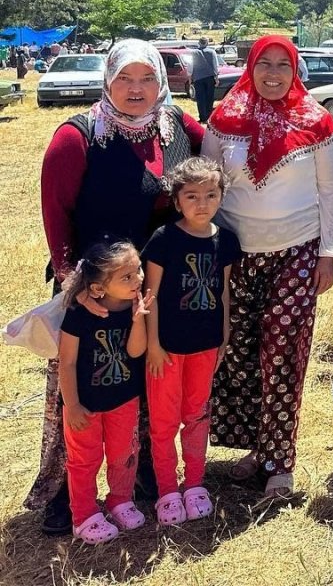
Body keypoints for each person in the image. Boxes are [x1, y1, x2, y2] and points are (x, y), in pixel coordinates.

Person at [30, 39, 203, 536]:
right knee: (83, 388)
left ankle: (140, 475)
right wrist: (73, 288)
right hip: (95, 293)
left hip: (150, 287)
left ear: (162, 82)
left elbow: (222, 136)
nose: (136, 89)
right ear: (107, 80)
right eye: (125, 78)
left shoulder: (173, 129)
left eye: (146, 78)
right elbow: (56, 215)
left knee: (141, 386)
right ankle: (66, 493)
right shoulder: (79, 136)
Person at [202, 36, 333, 498]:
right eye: (266, 63)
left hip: (297, 252)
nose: (274, 73)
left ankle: (280, 460)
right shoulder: (224, 119)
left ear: (295, 69)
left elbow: (331, 188)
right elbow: (206, 181)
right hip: (236, 254)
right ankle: (255, 448)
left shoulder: (316, 121)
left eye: (285, 64)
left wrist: (329, 252)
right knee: (239, 353)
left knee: (283, 350)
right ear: (251, 65)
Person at [140, 157, 240, 526]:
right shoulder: (164, 239)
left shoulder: (226, 240)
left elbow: (224, 292)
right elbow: (150, 296)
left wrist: (225, 335)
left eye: (211, 195)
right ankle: (167, 490)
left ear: (221, 197)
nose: (202, 204)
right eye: (192, 196)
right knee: (164, 421)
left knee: (197, 415)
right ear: (176, 199)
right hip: (165, 348)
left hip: (206, 344)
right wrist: (152, 344)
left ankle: (195, 483)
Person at [57, 241, 153, 544]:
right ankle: (83, 516)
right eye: (126, 277)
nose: (137, 279)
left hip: (124, 400)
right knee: (84, 460)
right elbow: (68, 361)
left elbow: (136, 351)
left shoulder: (135, 308)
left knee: (124, 454)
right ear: (98, 288)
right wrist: (71, 403)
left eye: (137, 271)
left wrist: (139, 320)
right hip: (84, 404)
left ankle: (120, 500)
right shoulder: (79, 314)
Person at [190, 38, 221, 124]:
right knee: (209, 98)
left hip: (198, 78)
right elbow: (215, 65)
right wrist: (217, 78)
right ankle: (208, 115)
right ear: (207, 43)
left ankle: (203, 117)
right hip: (210, 77)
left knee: (200, 98)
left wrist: (190, 77)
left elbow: (191, 66)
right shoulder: (212, 52)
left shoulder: (194, 53)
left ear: (199, 43)